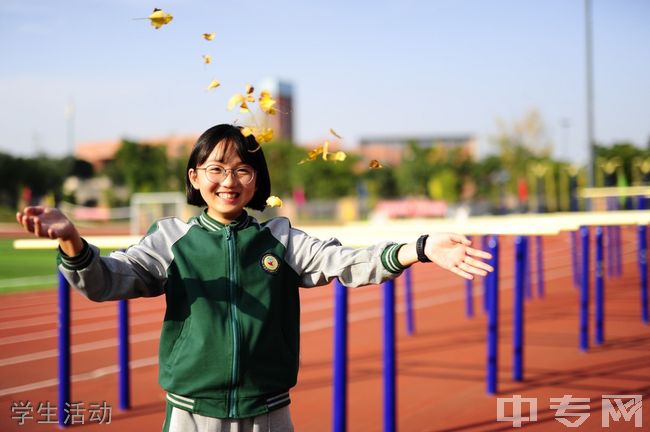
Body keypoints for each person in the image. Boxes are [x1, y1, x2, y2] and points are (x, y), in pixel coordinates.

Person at [17, 124, 493, 432]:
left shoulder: (280, 237)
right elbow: (106, 281)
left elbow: (345, 261)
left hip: (268, 410)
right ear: (195, 176)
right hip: (191, 411)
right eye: (217, 168)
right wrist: (73, 244)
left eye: (243, 169)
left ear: (256, 181)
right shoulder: (171, 238)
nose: (230, 180)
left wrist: (421, 248)